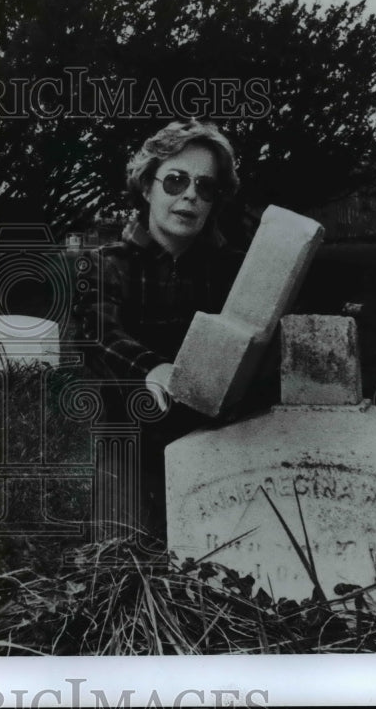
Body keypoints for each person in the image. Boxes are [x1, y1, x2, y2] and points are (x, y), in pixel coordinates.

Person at [73, 119, 251, 541]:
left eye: (205, 187)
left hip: (215, 436)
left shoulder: (231, 270)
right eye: (175, 180)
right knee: (119, 562)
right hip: (129, 439)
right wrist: (152, 370)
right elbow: (98, 334)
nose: (191, 194)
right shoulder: (103, 264)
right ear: (146, 187)